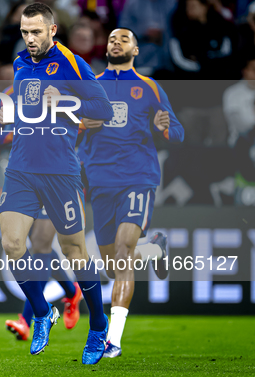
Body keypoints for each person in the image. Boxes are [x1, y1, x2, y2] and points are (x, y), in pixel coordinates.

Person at [0, 2, 113, 363]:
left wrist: (66, 100)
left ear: (52, 30)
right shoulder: (19, 63)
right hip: (21, 169)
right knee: (13, 245)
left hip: (61, 171)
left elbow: (104, 110)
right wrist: (9, 111)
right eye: (24, 32)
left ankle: (98, 326)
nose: (29, 39)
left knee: (74, 251)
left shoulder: (72, 64)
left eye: (36, 32)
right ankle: (43, 313)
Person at [78, 28, 185, 358]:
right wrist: (82, 124)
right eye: (111, 38)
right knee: (113, 266)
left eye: (123, 39)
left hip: (137, 178)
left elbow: (177, 133)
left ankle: (113, 340)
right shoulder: (90, 86)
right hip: (100, 183)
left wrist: (165, 125)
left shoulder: (149, 87)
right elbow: (68, 130)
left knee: (124, 253)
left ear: (136, 49)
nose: (115, 42)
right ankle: (154, 248)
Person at [0, 69, 83, 341]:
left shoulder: (57, 95)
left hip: (57, 178)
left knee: (40, 245)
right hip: (24, 179)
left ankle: (28, 319)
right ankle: (71, 291)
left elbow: (82, 126)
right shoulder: (7, 97)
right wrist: (10, 131)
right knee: (27, 246)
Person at [118, 0, 177, 75]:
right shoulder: (132, 1)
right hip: (143, 60)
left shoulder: (170, 0)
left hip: (169, 60)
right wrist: (144, 33)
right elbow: (123, 30)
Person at [223, 55, 255, 148]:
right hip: (242, 144)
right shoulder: (232, 93)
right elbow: (240, 126)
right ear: (245, 71)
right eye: (254, 69)